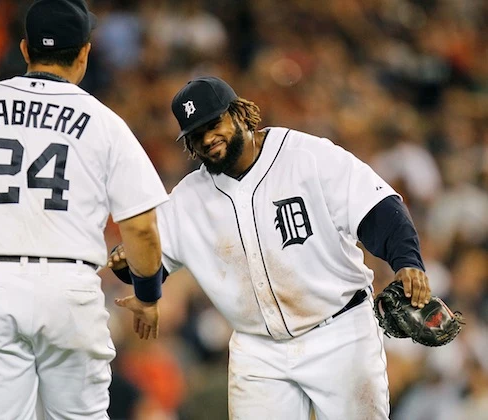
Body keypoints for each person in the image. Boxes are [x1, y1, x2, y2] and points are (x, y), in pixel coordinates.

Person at [0, 0, 168, 418]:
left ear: (25, 50)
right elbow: (143, 229)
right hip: (69, 287)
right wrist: (148, 295)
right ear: (84, 52)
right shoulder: (104, 122)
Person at [109, 76, 432, 419]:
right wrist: (128, 266)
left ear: (239, 113)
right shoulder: (188, 198)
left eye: (213, 123)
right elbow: (153, 262)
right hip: (258, 351)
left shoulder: (307, 156)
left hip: (339, 332)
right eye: (196, 134)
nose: (208, 139)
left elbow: (377, 209)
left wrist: (407, 261)